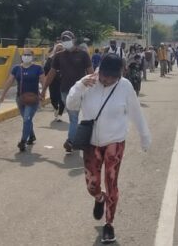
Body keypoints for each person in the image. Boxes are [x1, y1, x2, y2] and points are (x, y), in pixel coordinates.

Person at [66, 54, 151, 244]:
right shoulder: (88, 82)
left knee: (112, 182)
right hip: (91, 143)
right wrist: (79, 86)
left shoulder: (125, 86)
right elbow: (71, 105)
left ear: (120, 74)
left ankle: (109, 224)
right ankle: (99, 198)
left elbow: (136, 112)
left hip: (115, 142)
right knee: (92, 185)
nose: (108, 80)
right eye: (105, 76)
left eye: (113, 77)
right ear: (100, 71)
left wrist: (145, 136)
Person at [42, 30, 94, 153]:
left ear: (74, 40)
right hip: (66, 92)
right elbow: (51, 74)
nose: (66, 42)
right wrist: (44, 89)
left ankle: (74, 140)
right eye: (63, 39)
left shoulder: (83, 55)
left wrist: (95, 89)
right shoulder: (58, 56)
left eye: (68, 39)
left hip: (83, 90)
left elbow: (91, 73)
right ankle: (72, 141)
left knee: (80, 117)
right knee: (74, 116)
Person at [0, 48, 45, 151]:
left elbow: (43, 82)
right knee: (26, 119)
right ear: (22, 56)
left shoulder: (38, 68)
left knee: (27, 119)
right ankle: (31, 136)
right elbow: (9, 81)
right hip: (20, 98)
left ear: (33, 56)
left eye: (29, 55)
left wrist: (43, 94)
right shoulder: (16, 68)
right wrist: (2, 95)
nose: (26, 56)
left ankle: (23, 141)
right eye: (25, 54)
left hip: (33, 99)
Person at [44, 44, 66, 122]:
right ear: (55, 50)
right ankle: (56, 108)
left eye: (61, 49)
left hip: (63, 82)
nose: (59, 51)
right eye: (58, 49)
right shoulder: (50, 59)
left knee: (62, 99)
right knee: (53, 98)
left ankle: (60, 115)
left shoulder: (67, 59)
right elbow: (46, 69)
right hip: (53, 82)